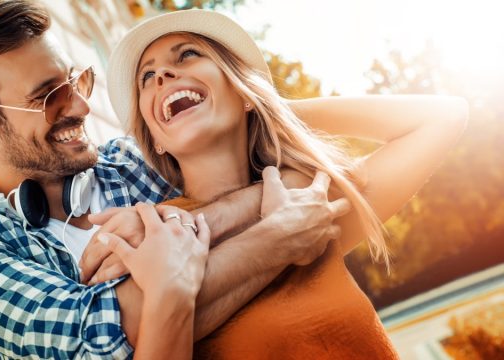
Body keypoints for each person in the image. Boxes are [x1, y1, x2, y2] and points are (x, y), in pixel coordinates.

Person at [0, 1, 348, 358]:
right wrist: (277, 240)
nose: (81, 108)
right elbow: (105, 336)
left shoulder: (130, 160)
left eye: (76, 82)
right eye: (48, 96)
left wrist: (185, 224)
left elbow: (290, 164)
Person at [102, 9, 468, 359]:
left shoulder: (313, 204)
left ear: (242, 89)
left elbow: (443, 117)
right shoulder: (148, 232)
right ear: (155, 138)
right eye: (146, 78)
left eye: (186, 55)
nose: (163, 74)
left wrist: (263, 105)